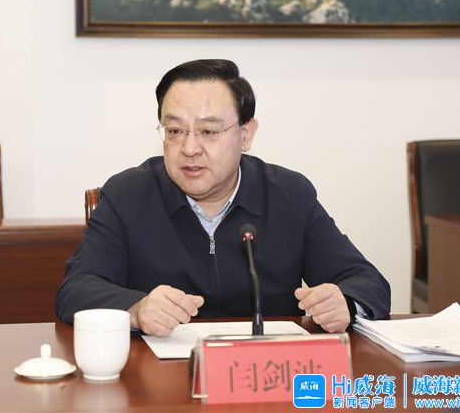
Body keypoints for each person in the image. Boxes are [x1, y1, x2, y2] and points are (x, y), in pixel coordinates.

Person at [56, 59, 390, 336]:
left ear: (246, 135)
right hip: (161, 380)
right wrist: (136, 308)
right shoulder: (128, 194)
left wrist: (344, 302)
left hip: (266, 377)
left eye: (208, 131)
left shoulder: (289, 195)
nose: (189, 148)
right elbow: (75, 289)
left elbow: (368, 282)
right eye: (175, 131)